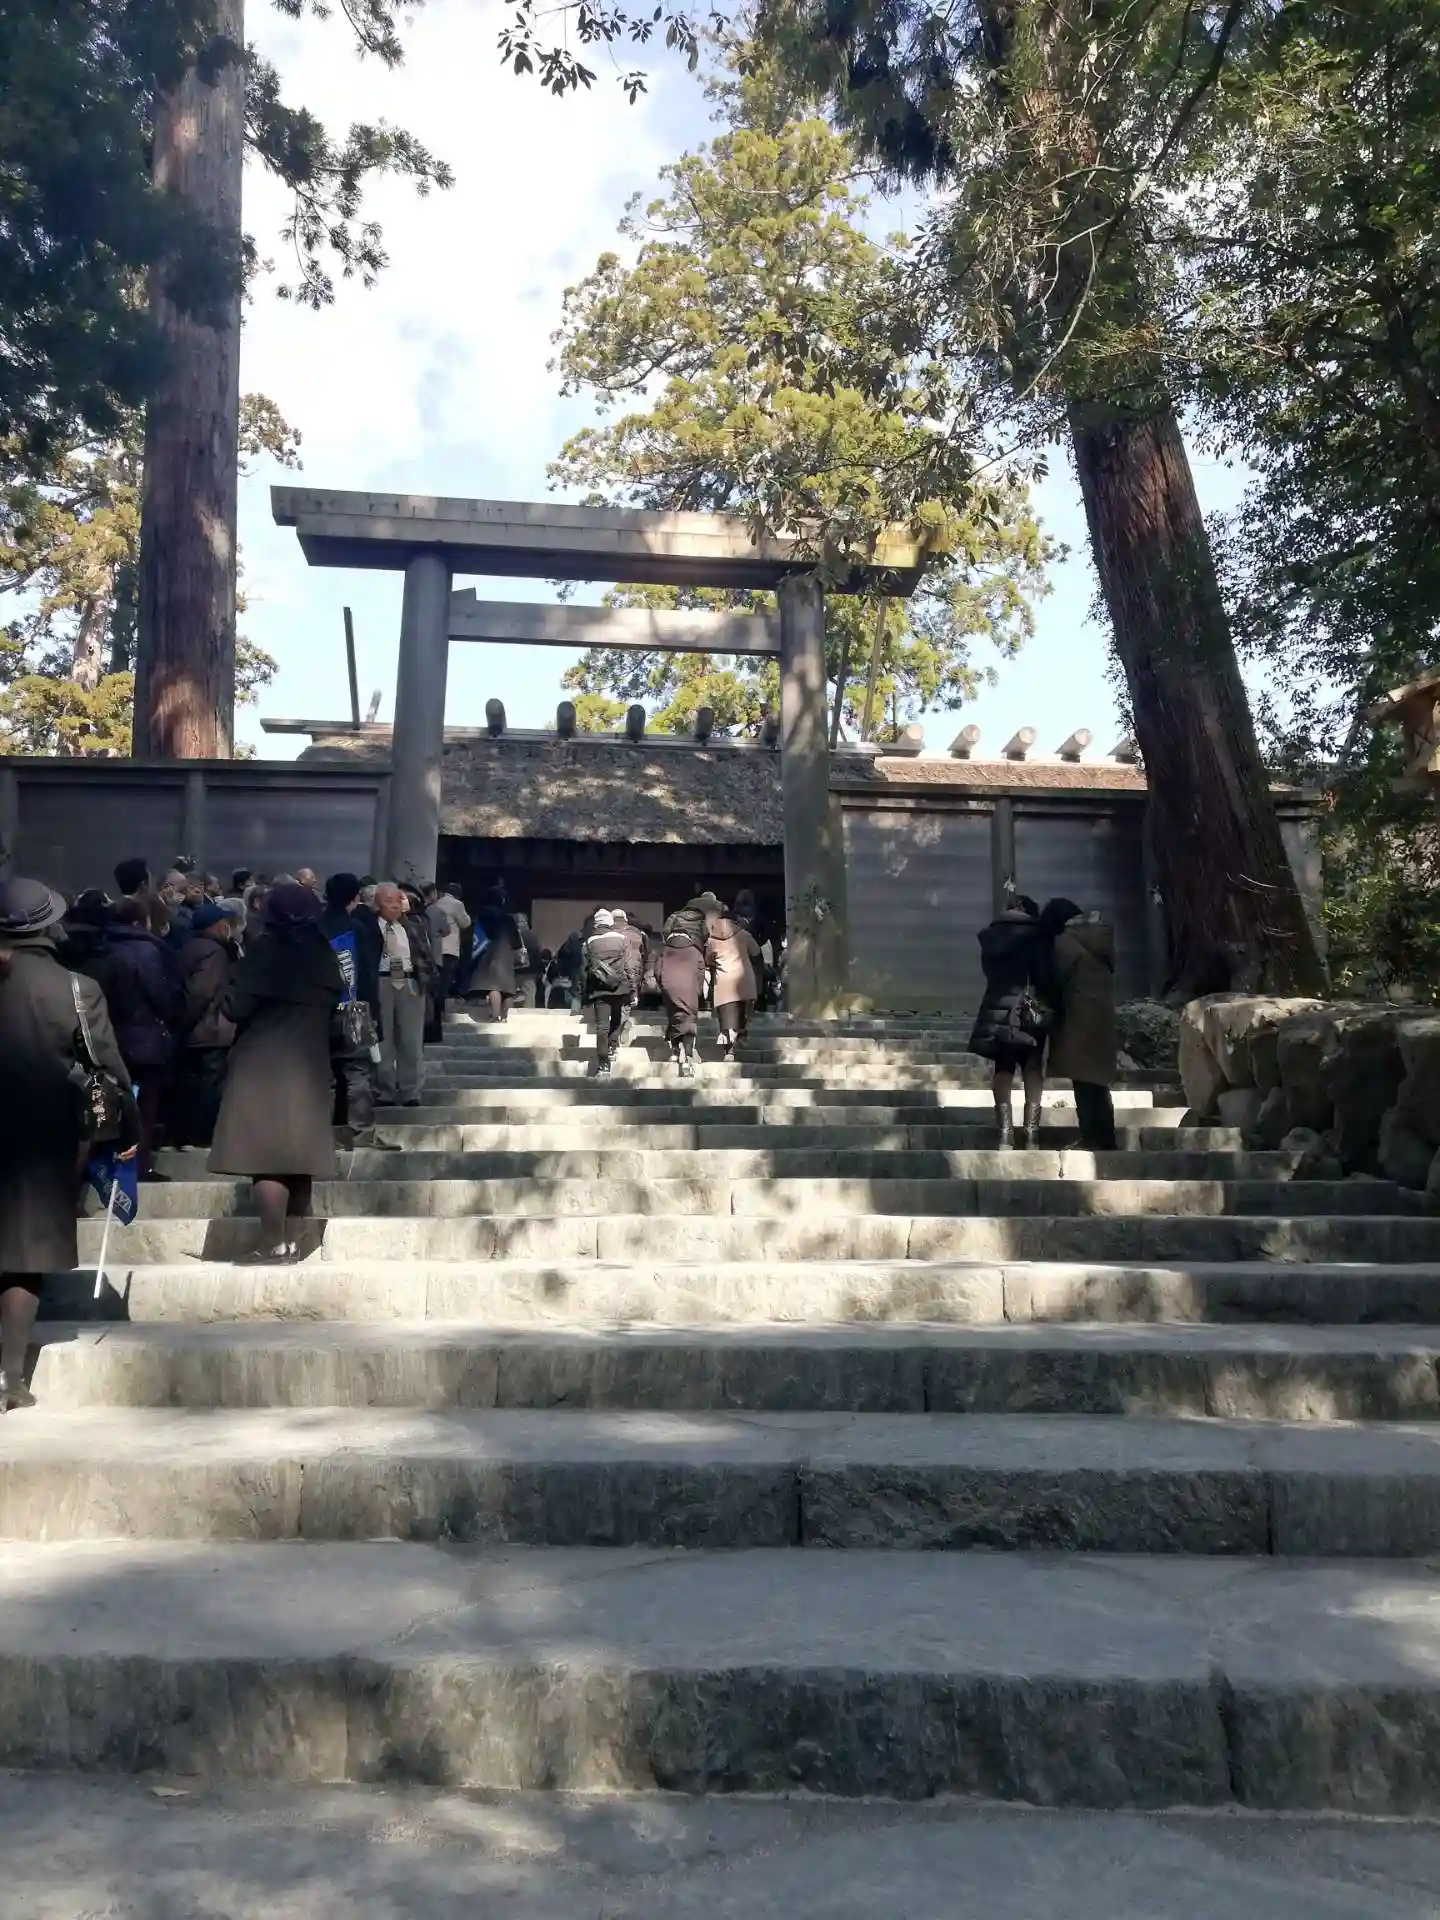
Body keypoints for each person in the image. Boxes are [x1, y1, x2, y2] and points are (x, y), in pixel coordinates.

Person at [0, 878, 139, 1411]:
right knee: (21, 1257)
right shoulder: (76, 988)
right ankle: (10, 1377)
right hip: (42, 1135)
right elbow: (106, 1067)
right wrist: (127, 1130)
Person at [209, 882, 343, 1262]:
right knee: (299, 1156)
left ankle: (272, 1241)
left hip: (262, 1063)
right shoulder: (324, 954)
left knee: (264, 1156)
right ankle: (295, 1241)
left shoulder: (265, 952)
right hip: (310, 1063)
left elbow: (235, 1007)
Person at [105, 896, 185, 1177]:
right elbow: (160, 995)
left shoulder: (103, 947)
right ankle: (137, 1166)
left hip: (110, 1037)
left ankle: (109, 1165)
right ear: (143, 921)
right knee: (145, 1108)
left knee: (112, 1106)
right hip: (145, 1040)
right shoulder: (147, 952)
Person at [969, 894, 1050, 1150]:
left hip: (997, 1006)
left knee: (1003, 1069)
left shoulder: (991, 936)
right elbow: (1044, 973)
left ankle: (1005, 1134)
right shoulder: (1038, 936)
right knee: (1032, 1068)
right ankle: (1032, 1134)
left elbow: (990, 972)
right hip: (1028, 1009)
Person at [1041, 896, 1119, 1151]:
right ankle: (1106, 1138)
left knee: (1083, 1081)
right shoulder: (1099, 940)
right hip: (1101, 1018)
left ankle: (1091, 1137)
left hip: (1077, 1018)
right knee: (1098, 1082)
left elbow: (1054, 979)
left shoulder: (1066, 942)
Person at [321, 872, 384, 1146]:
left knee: (324, 1075)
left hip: (319, 1010)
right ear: (355, 897)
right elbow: (368, 973)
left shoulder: (314, 926)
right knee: (358, 1071)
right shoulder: (356, 928)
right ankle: (361, 1132)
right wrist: (374, 1014)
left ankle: (320, 1134)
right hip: (354, 1009)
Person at [173, 900, 240, 1148]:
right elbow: (203, 992)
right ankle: (202, 1136)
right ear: (215, 925)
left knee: (189, 1084)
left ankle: (183, 1134)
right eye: (224, 922)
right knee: (209, 1085)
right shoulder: (215, 951)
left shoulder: (189, 946)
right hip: (209, 1029)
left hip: (195, 1030)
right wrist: (186, 1021)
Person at [373, 881, 434, 1107]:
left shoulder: (414, 926)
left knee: (411, 1039)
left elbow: (426, 955)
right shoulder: (369, 926)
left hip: (409, 981)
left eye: (398, 900)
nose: (395, 906)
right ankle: (384, 1089)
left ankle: (411, 1090)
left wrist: (427, 982)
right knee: (383, 1039)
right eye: (388, 901)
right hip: (381, 980)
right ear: (377, 904)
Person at [581, 908, 638, 1079]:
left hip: (599, 989)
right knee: (617, 1017)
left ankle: (603, 1064)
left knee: (602, 1026)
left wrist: (584, 994)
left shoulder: (589, 942)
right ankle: (613, 1046)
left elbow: (584, 970)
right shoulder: (621, 939)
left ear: (596, 924)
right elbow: (628, 966)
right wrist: (633, 989)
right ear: (610, 923)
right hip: (619, 986)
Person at [658, 897, 708, 1077]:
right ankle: (687, 1054)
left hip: (670, 987)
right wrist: (698, 989)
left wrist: (663, 985)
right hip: (690, 986)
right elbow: (701, 971)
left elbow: (657, 970)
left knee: (674, 1016)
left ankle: (675, 1050)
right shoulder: (696, 950)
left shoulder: (664, 950)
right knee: (689, 1018)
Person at [706, 906, 762, 1058]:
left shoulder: (711, 940)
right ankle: (742, 1037)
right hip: (744, 980)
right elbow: (756, 953)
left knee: (726, 1017)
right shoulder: (744, 935)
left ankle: (729, 1051)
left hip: (723, 983)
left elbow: (708, 961)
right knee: (742, 1012)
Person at [468, 886, 524, 1024]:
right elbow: (515, 938)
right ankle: (505, 1017)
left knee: (493, 985)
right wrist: (518, 949)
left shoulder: (482, 915)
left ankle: (495, 1015)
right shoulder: (508, 917)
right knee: (507, 988)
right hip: (506, 952)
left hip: (487, 951)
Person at [429, 882, 471, 1013]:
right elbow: (465, 923)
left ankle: (433, 1004)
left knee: (436, 976)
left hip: (434, 946)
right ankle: (440, 1006)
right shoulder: (457, 904)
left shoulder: (435, 903)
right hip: (449, 947)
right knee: (447, 977)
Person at [611, 909, 648, 1045]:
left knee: (615, 1002)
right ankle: (623, 1023)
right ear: (625, 919)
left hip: (616, 970)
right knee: (627, 1002)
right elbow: (644, 954)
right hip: (634, 970)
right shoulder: (637, 933)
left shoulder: (610, 934)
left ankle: (617, 1030)